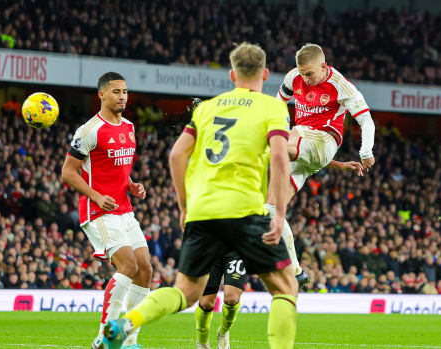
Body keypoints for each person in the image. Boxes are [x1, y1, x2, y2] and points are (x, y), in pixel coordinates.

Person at [103, 42, 298, 349]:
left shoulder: (207, 108)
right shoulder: (272, 108)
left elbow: (177, 155)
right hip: (245, 211)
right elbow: (278, 157)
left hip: (203, 211)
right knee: (286, 288)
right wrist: (279, 212)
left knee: (185, 292)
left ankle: (127, 322)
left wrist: (184, 206)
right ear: (267, 74)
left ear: (232, 75)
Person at [271, 43, 376, 286]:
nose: (305, 79)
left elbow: (367, 121)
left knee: (276, 140)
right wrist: (336, 165)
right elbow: (276, 108)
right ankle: (297, 270)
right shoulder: (293, 77)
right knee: (271, 211)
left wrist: (366, 151)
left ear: (323, 65)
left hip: (324, 139)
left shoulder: (341, 85)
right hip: (305, 152)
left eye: (309, 73)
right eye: (301, 73)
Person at [61, 72, 152, 349]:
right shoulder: (89, 131)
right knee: (128, 265)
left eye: (125, 91)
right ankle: (105, 335)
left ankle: (129, 338)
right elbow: (68, 172)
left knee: (145, 270)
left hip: (123, 208)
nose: (122, 96)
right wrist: (97, 196)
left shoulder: (129, 127)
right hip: (98, 210)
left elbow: (120, 170)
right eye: (116, 92)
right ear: (101, 95)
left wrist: (131, 185)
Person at [194, 251, 247, 349]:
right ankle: (202, 341)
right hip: (211, 249)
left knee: (232, 299)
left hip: (236, 250)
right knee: (206, 303)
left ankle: (223, 332)